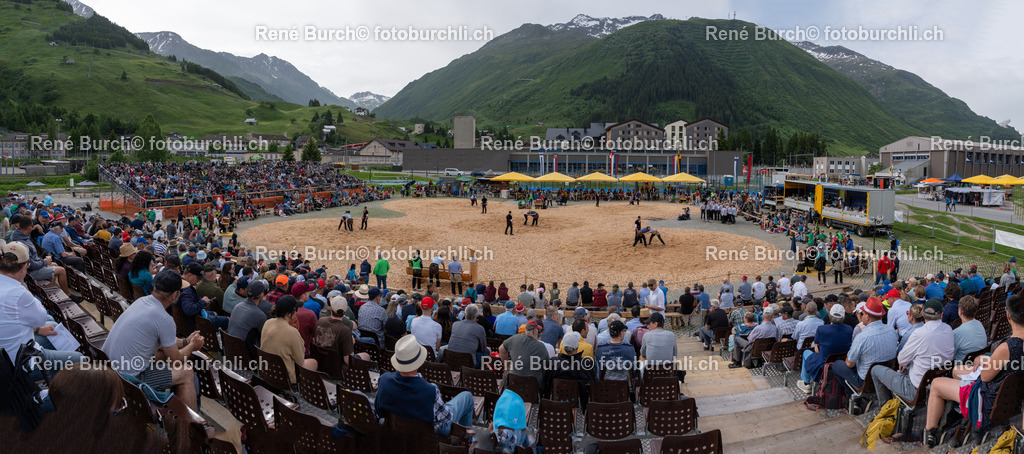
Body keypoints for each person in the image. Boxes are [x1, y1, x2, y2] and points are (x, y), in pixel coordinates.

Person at [922, 294, 1024, 447]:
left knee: (936, 384)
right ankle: (960, 418)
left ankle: (930, 433)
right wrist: (985, 359)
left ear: (1008, 316)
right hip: (1010, 398)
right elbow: (1009, 364)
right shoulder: (1014, 346)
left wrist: (985, 362)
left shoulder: (1008, 347)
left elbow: (984, 376)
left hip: (986, 400)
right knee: (957, 371)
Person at [103, 269, 203, 411]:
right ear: (174, 295)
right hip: (128, 378)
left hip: (110, 367)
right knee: (186, 372)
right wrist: (192, 345)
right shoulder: (164, 319)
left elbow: (163, 341)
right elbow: (176, 359)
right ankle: (192, 426)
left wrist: (186, 342)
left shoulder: (141, 301)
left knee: (162, 353)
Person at [0, 242, 86, 379]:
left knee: (52, 332)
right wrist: (22, 284)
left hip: (10, 353)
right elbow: (40, 317)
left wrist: (39, 330)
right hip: (21, 361)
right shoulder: (18, 293)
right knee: (81, 359)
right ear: (24, 267)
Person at [375, 335, 474, 436]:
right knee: (467, 396)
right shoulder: (430, 390)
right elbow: (447, 418)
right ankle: (468, 438)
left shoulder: (383, 380)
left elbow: (379, 411)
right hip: (428, 435)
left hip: (396, 428)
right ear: (418, 363)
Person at [871, 299, 953, 407]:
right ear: (941, 315)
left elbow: (901, 360)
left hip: (916, 390)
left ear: (923, 313)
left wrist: (906, 362)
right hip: (939, 382)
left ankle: (886, 410)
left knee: (875, 370)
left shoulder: (919, 333)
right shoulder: (948, 329)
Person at [832, 297, 898, 414]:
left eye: (862, 313)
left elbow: (849, 363)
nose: (860, 315)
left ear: (867, 316)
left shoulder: (862, 337)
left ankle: (856, 396)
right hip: (887, 377)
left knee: (837, 365)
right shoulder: (892, 331)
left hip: (866, 383)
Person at [261, 296, 318, 384]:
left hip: (267, 369)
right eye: (296, 310)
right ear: (289, 313)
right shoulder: (292, 332)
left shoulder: (267, 323)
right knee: (313, 363)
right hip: (285, 377)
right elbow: (300, 360)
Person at [797, 304, 853, 394]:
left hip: (824, 366)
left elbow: (817, 350)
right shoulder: (849, 329)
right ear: (843, 317)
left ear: (830, 316)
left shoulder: (822, 329)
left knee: (806, 352)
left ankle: (806, 383)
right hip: (842, 363)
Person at [499, 321, 550, 389]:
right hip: (532, 389)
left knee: (507, 372)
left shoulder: (515, 338)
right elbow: (546, 368)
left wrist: (507, 366)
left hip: (513, 385)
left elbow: (501, 349)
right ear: (534, 332)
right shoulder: (541, 347)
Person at [227, 278, 269, 360]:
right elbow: (265, 337)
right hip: (244, 354)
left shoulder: (237, 306)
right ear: (261, 295)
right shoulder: (260, 315)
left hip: (230, 347)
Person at [951, 295, 988, 362]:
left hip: (963, 366)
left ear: (960, 311)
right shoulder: (979, 324)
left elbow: (951, 356)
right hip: (979, 361)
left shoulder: (956, 333)